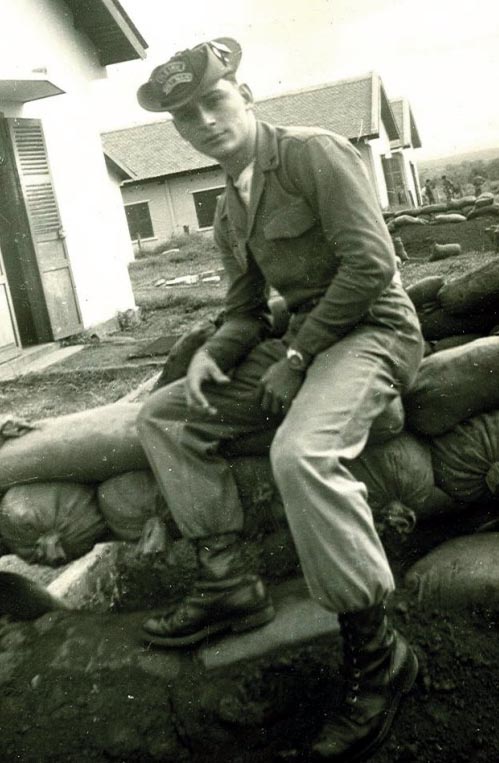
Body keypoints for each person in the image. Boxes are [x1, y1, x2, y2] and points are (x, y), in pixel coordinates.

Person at [136, 37, 424, 761]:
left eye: (214, 101)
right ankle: (227, 582)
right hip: (307, 341)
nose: (205, 121)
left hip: (372, 331)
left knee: (302, 453)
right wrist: (215, 353)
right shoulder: (228, 211)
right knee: (163, 415)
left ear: (245, 95)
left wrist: (296, 358)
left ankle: (379, 655)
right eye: (187, 116)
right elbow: (244, 310)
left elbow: (371, 264)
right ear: (178, 131)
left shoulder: (310, 154)